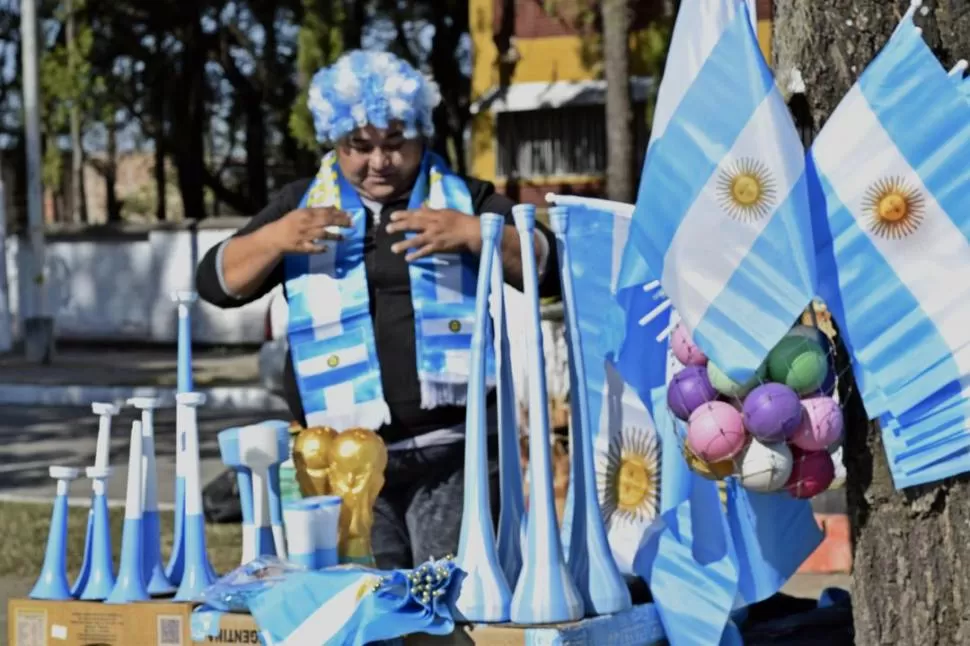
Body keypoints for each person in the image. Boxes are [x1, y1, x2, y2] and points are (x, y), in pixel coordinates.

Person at [195, 50, 561, 569]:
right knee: (365, 614)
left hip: (457, 457)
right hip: (342, 461)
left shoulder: (464, 199)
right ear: (335, 142)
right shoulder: (302, 204)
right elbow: (215, 281)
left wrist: (472, 232)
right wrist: (277, 237)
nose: (379, 162)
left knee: (456, 615)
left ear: (420, 136)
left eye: (396, 144)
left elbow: (549, 268)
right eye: (359, 147)